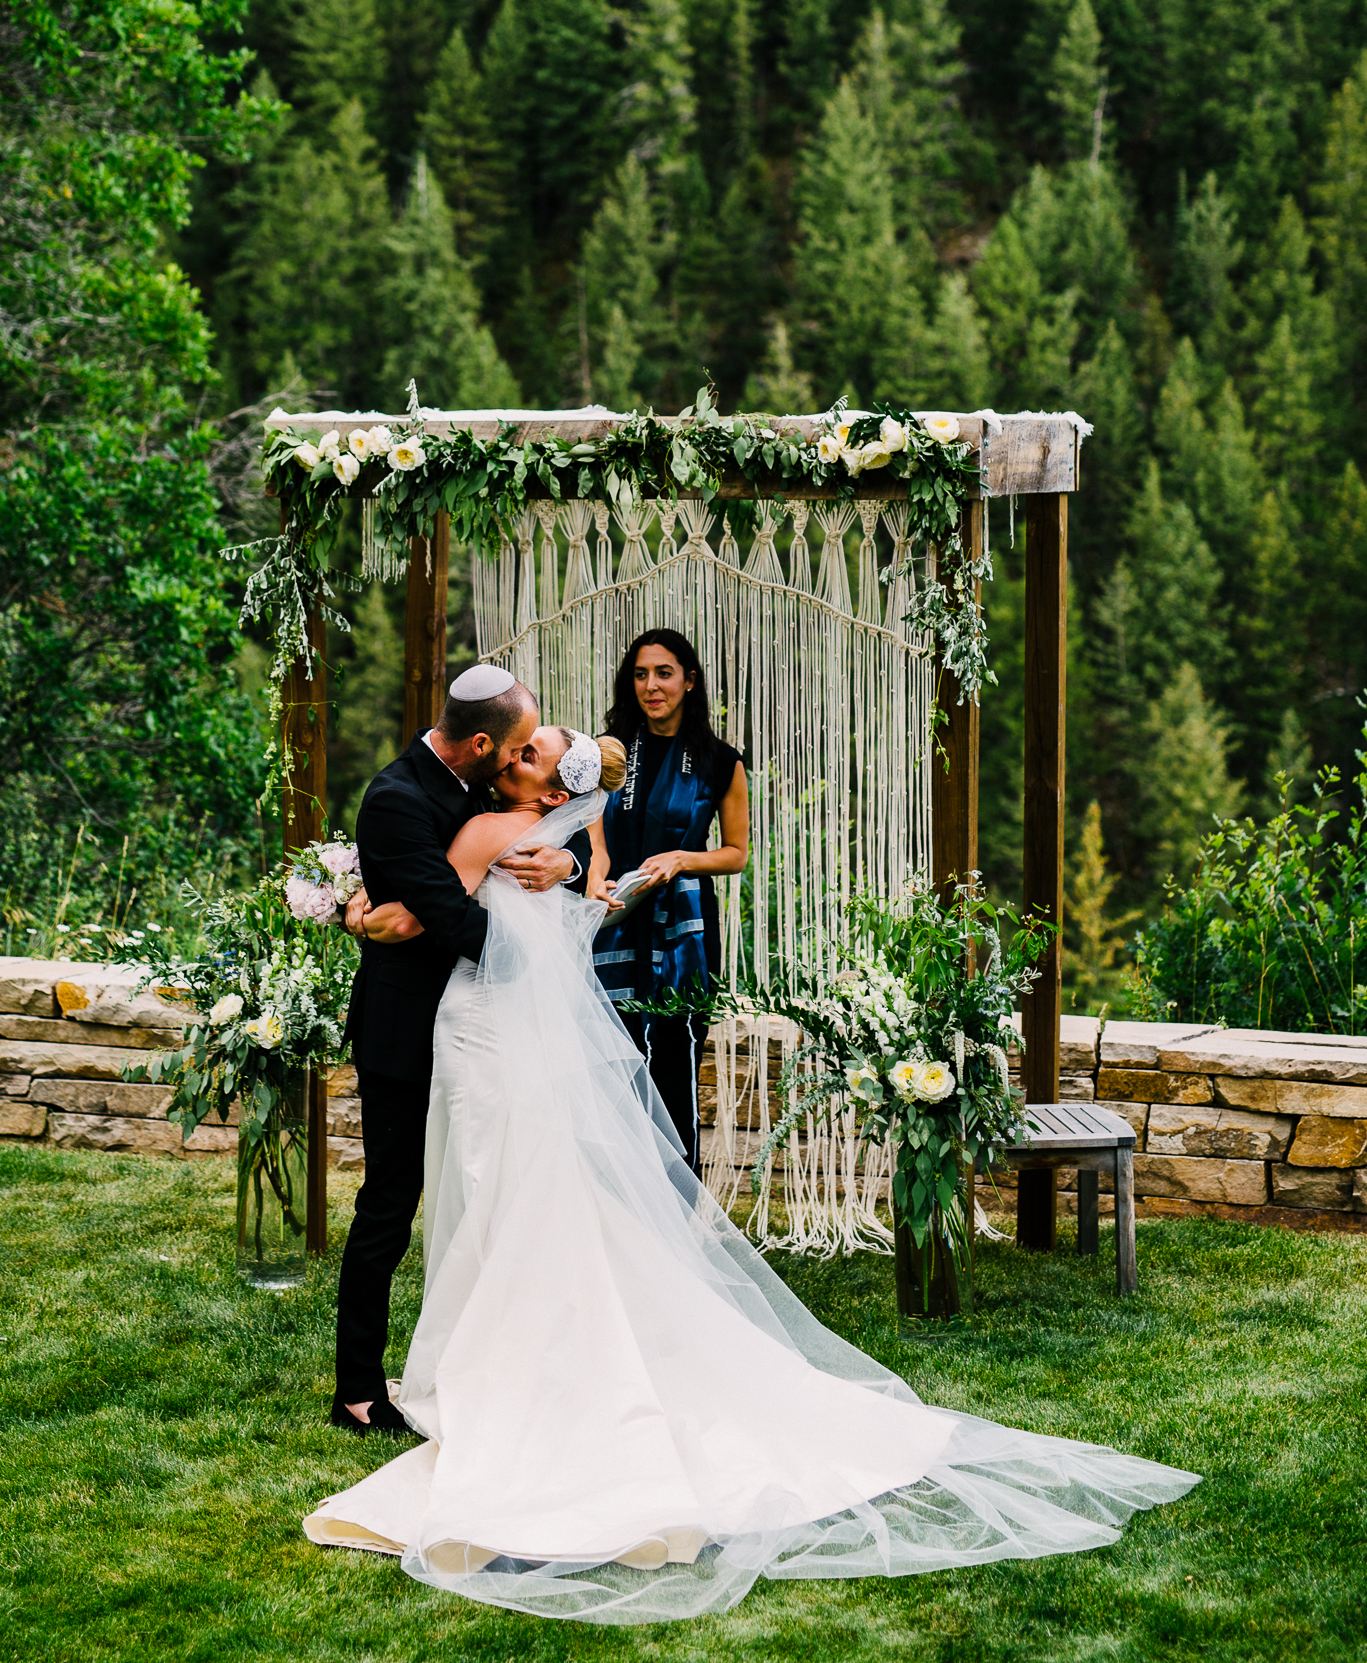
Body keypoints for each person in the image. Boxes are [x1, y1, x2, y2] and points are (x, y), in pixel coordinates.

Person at [303, 748, 1196, 1623]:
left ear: (546, 780)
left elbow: (420, 912)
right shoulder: (561, 830)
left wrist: (355, 910)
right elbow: (587, 892)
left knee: (501, 1184)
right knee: (529, 1185)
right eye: (522, 740)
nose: (518, 752)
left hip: (487, 1023)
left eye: (534, 748)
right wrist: (573, 862)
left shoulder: (495, 824)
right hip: (510, 1026)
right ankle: (527, 1345)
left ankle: (509, 1363)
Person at [331, 664, 581, 1437]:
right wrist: (533, 944)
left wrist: (561, 865)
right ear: (480, 743)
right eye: (510, 754)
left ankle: (488, 1357)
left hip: (480, 1031)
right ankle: (357, 1388)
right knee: (389, 1205)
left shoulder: (486, 787)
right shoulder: (396, 800)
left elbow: (542, 841)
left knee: (488, 1196)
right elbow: (452, 919)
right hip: (408, 1031)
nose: (516, 765)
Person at [589, 629, 748, 1172]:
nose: (651, 686)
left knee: (675, 1058)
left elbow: (734, 854)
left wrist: (681, 859)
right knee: (613, 1051)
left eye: (663, 673)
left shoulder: (719, 760)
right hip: (612, 915)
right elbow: (588, 826)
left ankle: (680, 1206)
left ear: (689, 680)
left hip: (683, 929)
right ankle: (616, 1202)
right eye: (640, 674)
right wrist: (599, 869)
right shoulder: (605, 753)